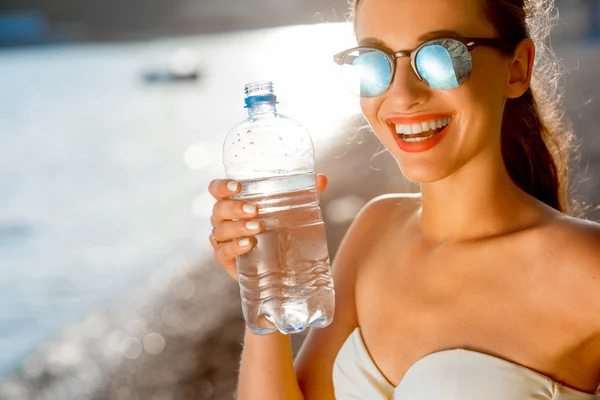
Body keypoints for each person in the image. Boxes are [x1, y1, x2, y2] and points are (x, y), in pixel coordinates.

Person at [208, 0, 600, 398]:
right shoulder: (376, 227)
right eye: (375, 62)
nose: (402, 95)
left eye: (440, 55)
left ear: (516, 69)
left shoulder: (589, 270)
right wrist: (264, 286)